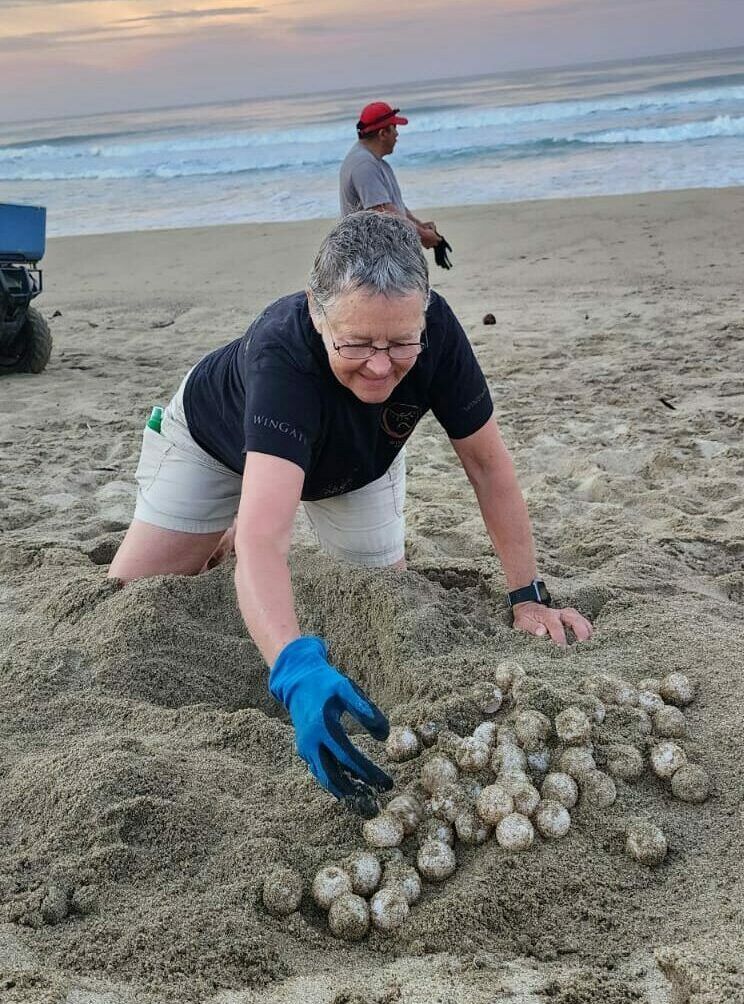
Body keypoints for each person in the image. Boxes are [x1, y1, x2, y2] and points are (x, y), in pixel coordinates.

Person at [108, 211, 592, 816]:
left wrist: (527, 595)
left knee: (384, 599)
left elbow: (488, 468)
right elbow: (266, 542)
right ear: (317, 311)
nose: (382, 365)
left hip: (355, 465)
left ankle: (240, 515)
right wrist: (294, 668)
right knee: (130, 598)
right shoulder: (282, 355)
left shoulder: (438, 335)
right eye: (357, 343)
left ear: (425, 310)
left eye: (401, 342)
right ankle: (220, 520)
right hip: (213, 447)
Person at [339, 102, 453, 268]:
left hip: (384, 255)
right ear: (383, 133)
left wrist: (420, 225)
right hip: (370, 261)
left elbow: (393, 205)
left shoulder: (377, 163)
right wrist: (422, 236)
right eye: (394, 128)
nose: (397, 135)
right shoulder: (364, 164)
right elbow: (383, 212)